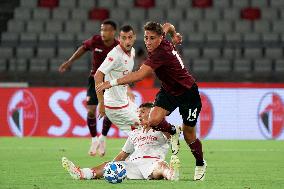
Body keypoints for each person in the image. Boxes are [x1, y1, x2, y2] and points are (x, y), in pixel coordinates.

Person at [96, 21, 207, 181]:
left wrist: (111, 82)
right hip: (169, 90)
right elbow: (168, 25)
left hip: (188, 93)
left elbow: (139, 75)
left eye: (152, 38)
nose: (148, 42)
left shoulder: (160, 54)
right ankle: (174, 131)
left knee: (190, 134)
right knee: (153, 120)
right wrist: (174, 34)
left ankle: (200, 163)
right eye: (146, 38)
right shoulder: (164, 38)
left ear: (161, 38)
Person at [94, 25, 181, 154]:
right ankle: (156, 154)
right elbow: (98, 75)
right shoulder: (114, 55)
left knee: (146, 124)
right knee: (143, 129)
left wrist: (127, 88)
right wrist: (101, 103)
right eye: (123, 38)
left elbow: (122, 74)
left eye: (130, 37)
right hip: (114, 106)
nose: (127, 41)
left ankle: (133, 159)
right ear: (119, 39)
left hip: (125, 102)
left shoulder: (132, 52)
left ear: (134, 37)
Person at [62, 103, 180, 181]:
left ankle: (171, 174)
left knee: (161, 166)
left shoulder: (163, 130)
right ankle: (83, 173)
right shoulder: (134, 133)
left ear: (152, 113)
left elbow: (174, 133)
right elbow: (123, 155)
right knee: (108, 164)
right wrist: (110, 167)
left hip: (153, 162)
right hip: (134, 164)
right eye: (138, 112)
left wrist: (156, 122)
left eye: (143, 111)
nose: (139, 114)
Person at [58, 20, 119, 157]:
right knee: (91, 111)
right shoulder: (96, 40)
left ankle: (103, 138)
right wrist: (70, 61)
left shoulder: (118, 46)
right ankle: (94, 139)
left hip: (109, 81)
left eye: (107, 30)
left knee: (108, 111)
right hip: (94, 80)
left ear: (113, 32)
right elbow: (83, 49)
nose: (103, 33)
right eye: (102, 29)